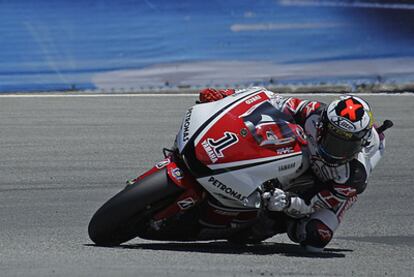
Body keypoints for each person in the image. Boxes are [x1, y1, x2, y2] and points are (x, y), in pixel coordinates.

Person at [198, 87, 388, 252]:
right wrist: (224, 95)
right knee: (280, 134)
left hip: (332, 188)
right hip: (308, 154)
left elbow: (313, 202)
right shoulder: (313, 113)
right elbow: (267, 98)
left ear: (360, 143)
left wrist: (287, 202)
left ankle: (287, 223)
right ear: (322, 126)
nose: (337, 151)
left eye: (346, 145)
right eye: (334, 140)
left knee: (314, 239)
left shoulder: (352, 177)